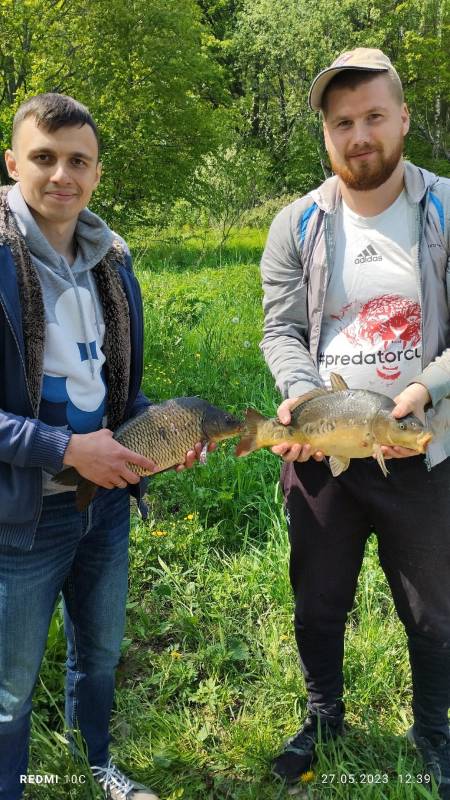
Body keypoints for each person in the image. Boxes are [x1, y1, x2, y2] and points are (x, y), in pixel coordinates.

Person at [0, 93, 204, 800]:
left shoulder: (110, 261)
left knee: (102, 656)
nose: (62, 175)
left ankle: (97, 766)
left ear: (96, 172)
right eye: (44, 158)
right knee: (8, 685)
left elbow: (122, 396)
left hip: (105, 508)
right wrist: (64, 448)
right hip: (19, 518)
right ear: (11, 162)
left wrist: (169, 436)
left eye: (78, 161)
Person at [260, 48, 450, 796]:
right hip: (322, 447)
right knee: (318, 598)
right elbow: (282, 329)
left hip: (423, 448)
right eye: (343, 122)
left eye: (373, 116)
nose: (359, 133)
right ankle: (323, 717)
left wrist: (429, 387)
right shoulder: (297, 224)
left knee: (435, 609)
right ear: (326, 135)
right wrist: (302, 397)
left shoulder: (443, 210)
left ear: (402, 118)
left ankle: (433, 727)